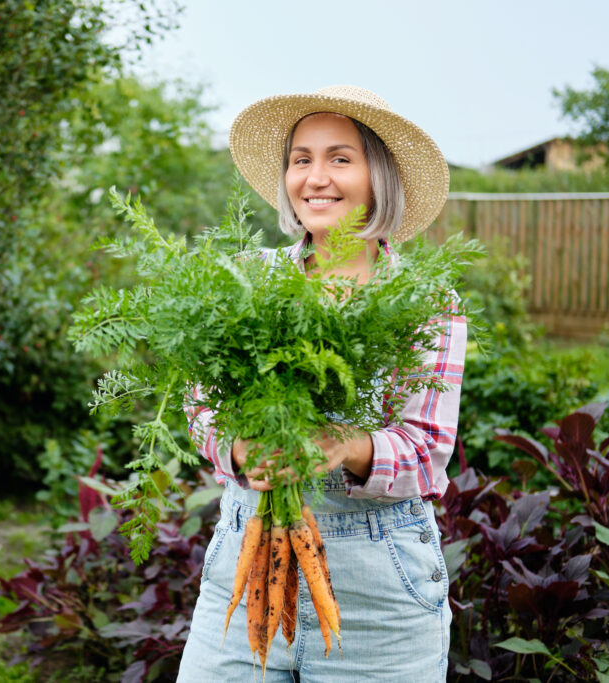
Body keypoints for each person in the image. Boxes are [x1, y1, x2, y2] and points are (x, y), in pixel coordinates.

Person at [177, 86, 466, 682]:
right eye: (301, 159)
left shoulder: (426, 300)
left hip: (379, 595)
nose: (315, 178)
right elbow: (199, 405)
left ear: (377, 177)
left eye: (340, 158)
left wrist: (346, 444)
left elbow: (428, 454)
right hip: (247, 559)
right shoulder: (248, 279)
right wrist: (236, 448)